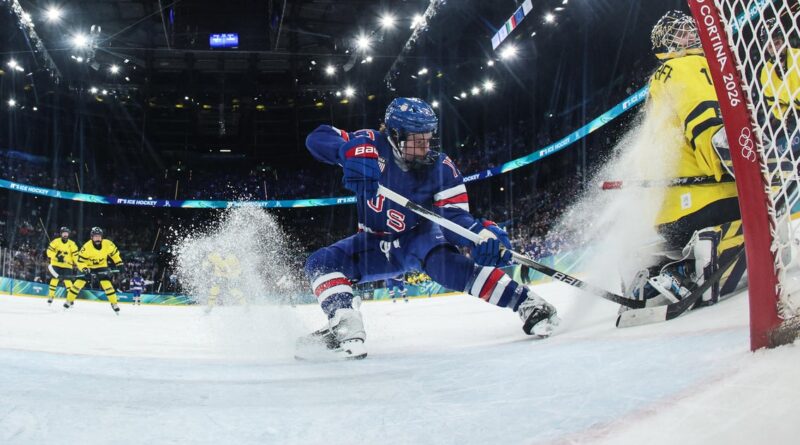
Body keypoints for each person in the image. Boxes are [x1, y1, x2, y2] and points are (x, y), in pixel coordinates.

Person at [299, 97, 559, 360]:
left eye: (428, 138)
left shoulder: (441, 167)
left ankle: (527, 302)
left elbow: (454, 217)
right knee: (321, 262)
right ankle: (344, 321)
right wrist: (346, 152)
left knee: (448, 266)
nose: (425, 147)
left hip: (418, 238)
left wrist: (480, 236)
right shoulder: (369, 143)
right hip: (372, 242)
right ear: (394, 134)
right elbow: (317, 138)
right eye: (417, 140)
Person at [626, 11, 747, 308]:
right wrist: (738, 167)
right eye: (679, 34)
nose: (689, 36)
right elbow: (705, 121)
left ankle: (657, 273)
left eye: (689, 31)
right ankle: (698, 261)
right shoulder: (688, 66)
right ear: (665, 43)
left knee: (681, 237)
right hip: (709, 200)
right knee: (769, 222)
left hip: (669, 216)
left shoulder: (659, 79)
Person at [758, 17, 799, 154]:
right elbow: (774, 104)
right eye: (770, 46)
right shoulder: (765, 73)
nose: (775, 48)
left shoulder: (798, 57)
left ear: (785, 41)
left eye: (777, 43)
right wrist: (787, 116)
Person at [64, 227, 126, 313]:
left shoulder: (108, 244)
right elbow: (80, 262)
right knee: (78, 284)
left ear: (102, 237)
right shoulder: (86, 247)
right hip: (88, 266)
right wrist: (85, 270)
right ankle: (69, 301)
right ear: (91, 237)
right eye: (95, 236)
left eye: (99, 236)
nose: (97, 238)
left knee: (107, 284)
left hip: (101, 266)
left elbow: (115, 255)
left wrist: (120, 264)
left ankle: (114, 303)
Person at [45, 226, 79, 304]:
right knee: (54, 279)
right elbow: (48, 252)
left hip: (67, 265)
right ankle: (51, 296)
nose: (65, 235)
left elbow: (75, 256)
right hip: (55, 264)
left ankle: (70, 299)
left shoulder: (72, 244)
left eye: (66, 233)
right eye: (64, 233)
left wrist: (78, 264)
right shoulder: (55, 242)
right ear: (61, 234)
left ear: (68, 234)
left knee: (68, 281)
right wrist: (56, 256)